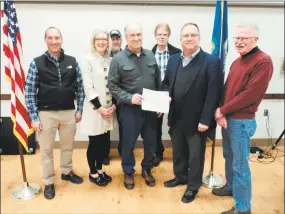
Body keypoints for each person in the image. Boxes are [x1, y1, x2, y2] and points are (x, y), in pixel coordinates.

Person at [213, 23, 273, 214]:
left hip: (241, 122)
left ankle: (243, 207)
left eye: (244, 38)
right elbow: (226, 88)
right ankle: (231, 186)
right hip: (228, 119)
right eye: (236, 38)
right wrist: (221, 112)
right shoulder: (237, 61)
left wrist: (223, 110)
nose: (239, 42)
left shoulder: (263, 61)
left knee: (240, 165)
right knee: (229, 157)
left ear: (255, 39)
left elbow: (250, 95)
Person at [162, 23, 223, 203]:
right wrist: (165, 94)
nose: (189, 38)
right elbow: (166, 83)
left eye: (193, 35)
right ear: (180, 40)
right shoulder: (174, 59)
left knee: (195, 156)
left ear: (199, 38)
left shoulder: (211, 61)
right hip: (176, 117)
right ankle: (180, 176)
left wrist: (206, 119)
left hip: (198, 121)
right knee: (178, 151)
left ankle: (193, 186)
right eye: (185, 35)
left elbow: (214, 93)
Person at [25, 27, 84, 200]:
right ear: (45, 40)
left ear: (61, 39)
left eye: (56, 38)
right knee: (46, 150)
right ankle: (49, 181)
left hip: (68, 113)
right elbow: (29, 91)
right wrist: (34, 118)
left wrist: (79, 109)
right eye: (50, 38)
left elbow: (80, 87)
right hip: (46, 114)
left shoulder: (72, 61)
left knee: (67, 147)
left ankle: (66, 172)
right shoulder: (37, 63)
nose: (54, 41)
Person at [108, 23, 161, 190]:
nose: (136, 38)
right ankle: (128, 171)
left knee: (151, 142)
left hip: (151, 109)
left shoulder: (150, 55)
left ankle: (147, 169)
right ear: (126, 38)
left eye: (139, 34)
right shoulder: (118, 60)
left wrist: (160, 102)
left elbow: (158, 81)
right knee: (128, 143)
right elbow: (112, 86)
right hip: (129, 110)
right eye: (132, 35)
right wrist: (130, 97)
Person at [80, 29, 117, 187]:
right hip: (95, 110)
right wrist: (99, 107)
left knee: (104, 143)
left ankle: (100, 169)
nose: (101, 42)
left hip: (109, 109)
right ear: (93, 41)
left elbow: (114, 84)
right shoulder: (87, 59)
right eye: (98, 39)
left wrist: (114, 105)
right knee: (94, 143)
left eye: (104, 39)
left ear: (108, 42)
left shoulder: (110, 60)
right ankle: (92, 172)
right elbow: (88, 87)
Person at [151, 23, 181, 167]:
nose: (162, 37)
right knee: (155, 126)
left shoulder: (177, 53)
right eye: (159, 34)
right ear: (155, 36)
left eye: (165, 34)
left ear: (168, 36)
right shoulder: (149, 53)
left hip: (173, 94)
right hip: (156, 94)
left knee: (175, 124)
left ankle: (180, 153)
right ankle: (158, 152)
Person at [102, 29, 123, 165]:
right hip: (107, 96)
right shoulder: (103, 56)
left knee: (125, 125)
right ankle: (104, 153)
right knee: (105, 127)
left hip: (122, 97)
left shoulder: (127, 55)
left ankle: (124, 150)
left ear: (121, 40)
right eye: (112, 38)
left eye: (117, 38)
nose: (115, 41)